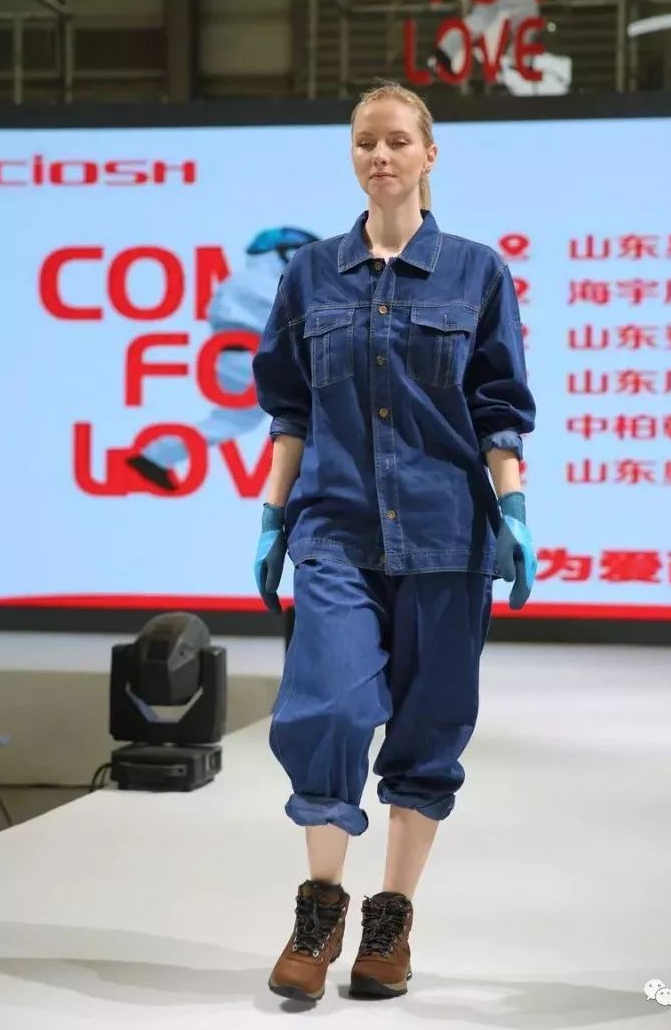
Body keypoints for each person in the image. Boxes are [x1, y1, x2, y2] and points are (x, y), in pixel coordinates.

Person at [251, 80, 537, 1004]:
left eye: (398, 140)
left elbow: (497, 408)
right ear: (353, 155)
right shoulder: (310, 275)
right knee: (327, 708)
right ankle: (319, 908)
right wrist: (272, 514)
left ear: (428, 154)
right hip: (334, 527)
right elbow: (290, 408)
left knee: (427, 729)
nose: (381, 154)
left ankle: (391, 920)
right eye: (366, 141)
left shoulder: (477, 273)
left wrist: (514, 510)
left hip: (448, 533)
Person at [125, 227, 319, 492]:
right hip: (248, 358)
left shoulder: (252, 282)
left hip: (241, 358)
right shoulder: (256, 283)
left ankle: (155, 456)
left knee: (233, 421)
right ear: (284, 253)